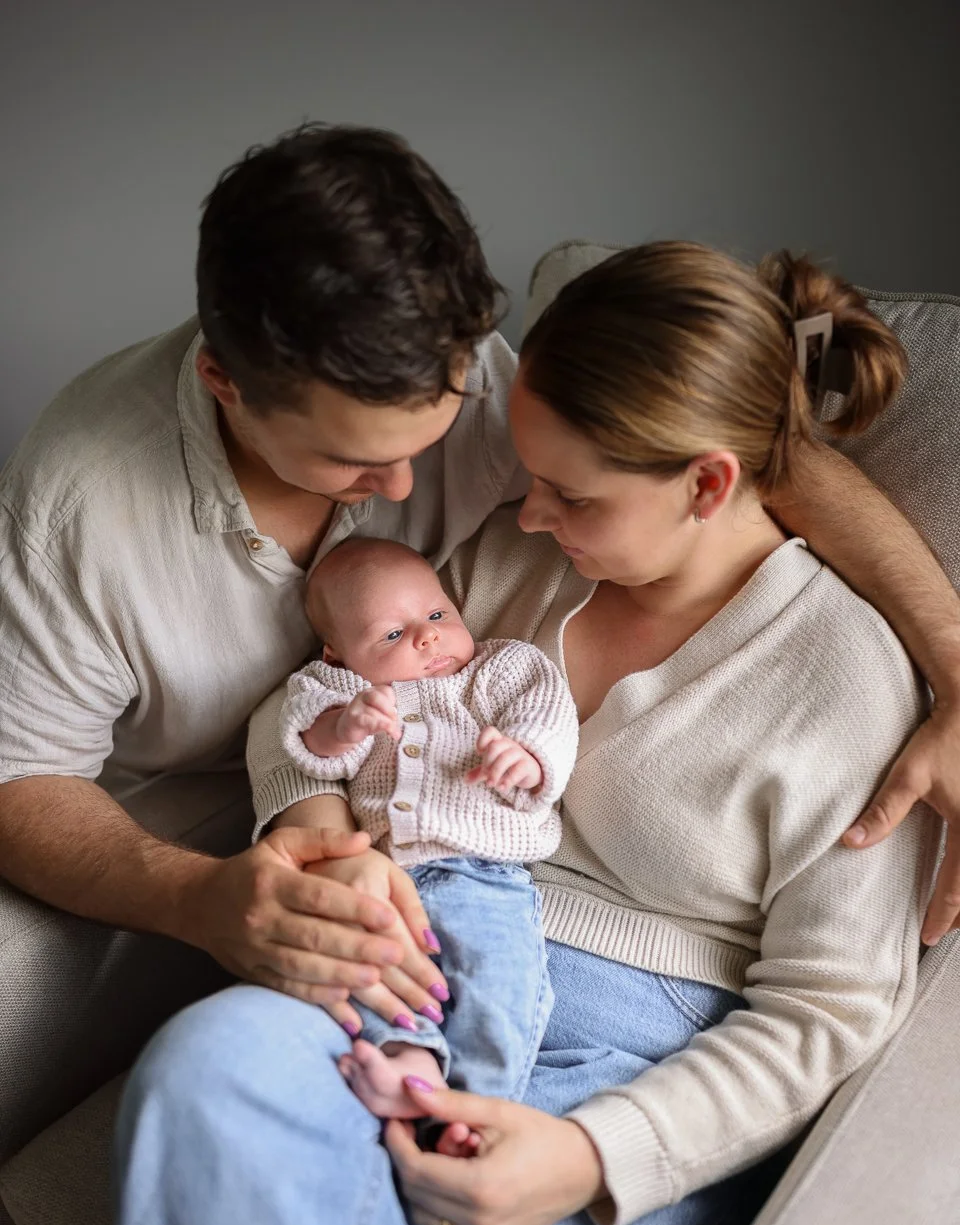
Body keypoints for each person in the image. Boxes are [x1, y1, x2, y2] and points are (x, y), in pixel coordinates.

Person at [114, 243, 941, 1225]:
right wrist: (319, 820)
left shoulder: (846, 674)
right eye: (531, 476)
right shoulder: (508, 560)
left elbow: (831, 1013)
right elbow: (315, 706)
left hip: (637, 1068)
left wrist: (593, 1156)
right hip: (406, 963)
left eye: (574, 492)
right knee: (204, 1069)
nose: (530, 512)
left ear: (708, 485)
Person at [3, 124, 960, 1051]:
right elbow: (17, 774)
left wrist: (955, 670)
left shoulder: (492, 396)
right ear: (223, 380)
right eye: (352, 462)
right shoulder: (77, 506)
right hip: (216, 810)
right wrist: (197, 895)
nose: (407, 491)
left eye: (436, 431)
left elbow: (745, 457)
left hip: (439, 856)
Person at [278, 536, 578, 1116]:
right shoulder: (338, 688)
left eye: (438, 614)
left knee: (497, 987)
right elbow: (310, 747)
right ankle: (410, 1064)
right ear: (337, 653)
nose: (427, 636)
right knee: (370, 974)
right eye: (392, 634)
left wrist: (527, 756)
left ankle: (482, 1106)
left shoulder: (500, 666)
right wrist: (345, 725)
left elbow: (549, 714)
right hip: (388, 880)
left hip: (485, 878)